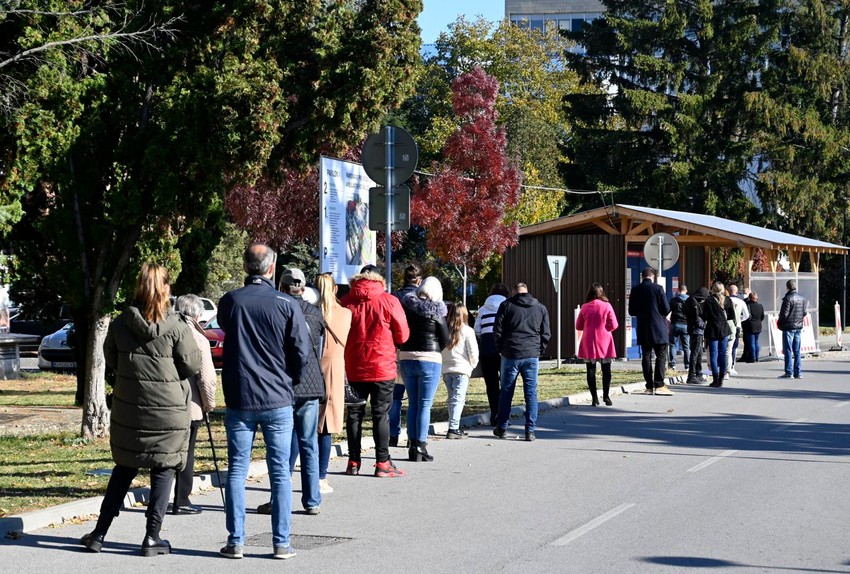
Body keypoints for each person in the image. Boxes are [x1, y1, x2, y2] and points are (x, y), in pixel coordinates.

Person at [80, 263, 202, 556]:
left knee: (124, 468)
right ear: (166, 289)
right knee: (163, 469)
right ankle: (152, 537)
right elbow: (192, 365)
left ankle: (99, 533)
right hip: (168, 411)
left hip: (130, 408)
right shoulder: (177, 327)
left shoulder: (122, 323)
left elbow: (111, 359)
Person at [217, 244, 311, 560]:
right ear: (271, 269)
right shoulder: (286, 303)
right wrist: (291, 381)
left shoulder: (230, 302)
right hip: (277, 396)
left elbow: (229, 330)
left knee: (237, 468)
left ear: (246, 267)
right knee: (280, 471)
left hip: (240, 396)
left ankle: (236, 540)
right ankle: (281, 543)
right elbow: (301, 351)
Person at [257, 268, 325, 516]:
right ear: (303, 287)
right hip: (311, 384)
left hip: (283, 384)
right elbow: (318, 348)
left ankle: (278, 500)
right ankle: (312, 500)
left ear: (282, 287)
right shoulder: (315, 313)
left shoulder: (278, 309)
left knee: (280, 447)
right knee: (309, 444)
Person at [341, 267, 410, 477]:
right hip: (382, 366)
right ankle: (382, 462)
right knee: (381, 414)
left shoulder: (345, 301)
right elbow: (403, 334)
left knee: (354, 415)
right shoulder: (389, 301)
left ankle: (353, 462)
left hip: (354, 366)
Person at [172, 294, 217, 516]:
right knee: (186, 453)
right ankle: (181, 499)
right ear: (198, 314)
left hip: (165, 403)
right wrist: (209, 404)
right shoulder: (199, 339)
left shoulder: (166, 330)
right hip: (189, 405)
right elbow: (207, 378)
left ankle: (159, 501)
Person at [399, 276, 449, 461]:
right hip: (429, 358)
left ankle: (412, 445)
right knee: (425, 404)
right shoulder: (437, 311)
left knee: (412, 403)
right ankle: (420, 445)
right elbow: (445, 338)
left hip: (406, 357)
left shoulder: (407, 308)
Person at [493, 283, 551, 442]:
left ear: (514, 292)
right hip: (531, 354)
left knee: (506, 392)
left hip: (510, 353)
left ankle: (502, 427)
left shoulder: (506, 305)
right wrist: (540, 350)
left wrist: (500, 348)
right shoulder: (540, 308)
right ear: (527, 292)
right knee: (531, 393)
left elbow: (497, 330)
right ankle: (530, 430)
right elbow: (546, 333)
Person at [315, 272, 352, 493]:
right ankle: (321, 476)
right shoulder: (345, 314)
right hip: (334, 368)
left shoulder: (309, 311)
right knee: (326, 426)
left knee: (301, 423)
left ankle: (289, 472)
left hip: (311, 366)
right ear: (335, 289)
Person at [389, 263, 422, 447]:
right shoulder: (422, 297)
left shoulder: (395, 297)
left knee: (395, 396)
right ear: (419, 280)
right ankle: (412, 435)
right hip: (416, 347)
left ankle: (393, 434)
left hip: (396, 347)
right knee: (415, 395)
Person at [628, 267, 673, 395]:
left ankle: (649, 386)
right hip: (658, 327)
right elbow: (666, 309)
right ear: (653, 277)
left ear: (642, 277)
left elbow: (631, 311)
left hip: (643, 327)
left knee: (646, 356)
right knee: (661, 355)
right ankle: (659, 384)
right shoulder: (658, 288)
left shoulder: (635, 290)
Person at [575, 283, 618, 406]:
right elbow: (614, 324)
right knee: (606, 370)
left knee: (590, 370)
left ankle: (594, 398)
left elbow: (578, 326)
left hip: (589, 341)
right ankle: (606, 396)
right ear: (601, 293)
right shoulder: (607, 306)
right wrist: (606, 328)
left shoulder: (584, 307)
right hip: (605, 340)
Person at [441, 302, 479, 437]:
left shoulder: (445, 330)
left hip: (446, 368)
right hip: (462, 368)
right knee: (458, 398)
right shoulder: (467, 330)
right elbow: (473, 352)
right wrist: (472, 365)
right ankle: (453, 427)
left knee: (452, 398)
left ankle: (452, 424)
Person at [475, 283, 510, 426]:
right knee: (506, 383)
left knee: (491, 384)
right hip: (503, 348)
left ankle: (494, 414)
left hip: (486, 348)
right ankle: (503, 416)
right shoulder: (507, 306)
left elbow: (477, 329)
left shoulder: (483, 309)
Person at [702, 282, 733, 388]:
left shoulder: (709, 301)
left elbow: (704, 316)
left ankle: (715, 379)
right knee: (723, 354)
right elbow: (731, 316)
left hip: (712, 330)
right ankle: (721, 379)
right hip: (724, 329)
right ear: (723, 289)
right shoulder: (728, 300)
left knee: (713, 354)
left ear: (713, 289)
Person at [778, 279, 807, 379]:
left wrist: (780, 323)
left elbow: (784, 314)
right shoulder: (802, 298)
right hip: (798, 326)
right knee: (797, 350)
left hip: (788, 327)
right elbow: (804, 312)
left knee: (788, 350)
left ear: (787, 287)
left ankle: (789, 372)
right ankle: (798, 372)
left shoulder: (788, 299)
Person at [684, 287, 709, 384]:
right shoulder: (694, 303)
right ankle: (692, 374)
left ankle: (697, 373)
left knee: (698, 352)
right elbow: (695, 318)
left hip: (693, 329)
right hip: (697, 330)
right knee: (695, 352)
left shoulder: (690, 300)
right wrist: (703, 325)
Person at [727, 284, 749, 376]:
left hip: (727, 325)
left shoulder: (726, 300)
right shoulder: (741, 302)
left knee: (727, 347)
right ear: (736, 291)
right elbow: (747, 315)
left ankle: (726, 366)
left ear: (728, 291)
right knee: (734, 347)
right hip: (737, 326)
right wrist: (740, 320)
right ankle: (732, 366)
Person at [668, 285, 690, 370]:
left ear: (678, 290)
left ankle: (673, 365)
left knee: (673, 345)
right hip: (685, 325)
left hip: (674, 324)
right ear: (686, 290)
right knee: (686, 346)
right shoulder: (690, 300)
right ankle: (687, 366)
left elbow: (667, 311)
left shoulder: (673, 300)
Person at [744, 291, 765, 363]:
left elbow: (746, 316)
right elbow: (762, 316)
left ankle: (752, 358)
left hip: (750, 325)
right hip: (758, 325)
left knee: (751, 342)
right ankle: (757, 357)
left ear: (750, 298)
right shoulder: (760, 306)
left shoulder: (748, 305)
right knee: (756, 342)